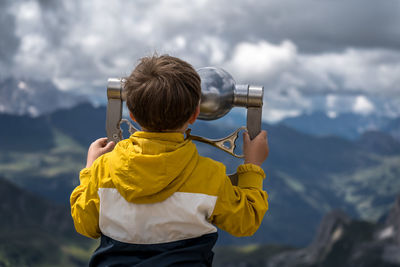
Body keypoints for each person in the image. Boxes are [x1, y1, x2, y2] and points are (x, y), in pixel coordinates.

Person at [70, 54, 269, 266]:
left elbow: (86, 224)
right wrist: (252, 166)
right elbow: (245, 221)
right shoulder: (210, 176)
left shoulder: (104, 169)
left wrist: (90, 169)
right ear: (195, 114)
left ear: (132, 115)